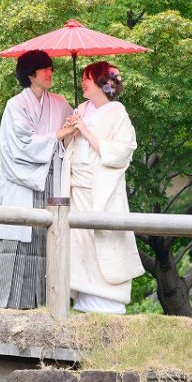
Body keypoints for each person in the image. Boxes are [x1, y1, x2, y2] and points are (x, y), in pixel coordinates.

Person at [60, 61, 145, 314]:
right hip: (76, 189)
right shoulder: (81, 109)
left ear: (101, 83)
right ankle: (84, 301)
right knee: (79, 245)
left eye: (87, 78)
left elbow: (122, 151)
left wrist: (84, 130)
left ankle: (108, 303)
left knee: (104, 242)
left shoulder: (117, 112)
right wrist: (69, 128)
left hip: (101, 191)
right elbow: (68, 148)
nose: (82, 82)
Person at [0, 49, 74, 309]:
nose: (50, 72)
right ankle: (12, 308)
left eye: (51, 68)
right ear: (30, 74)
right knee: (20, 238)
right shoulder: (16, 105)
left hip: (52, 180)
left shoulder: (60, 103)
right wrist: (61, 132)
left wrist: (74, 124)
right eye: (44, 68)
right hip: (23, 182)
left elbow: (73, 133)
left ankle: (49, 306)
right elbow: (22, 144)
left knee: (49, 240)